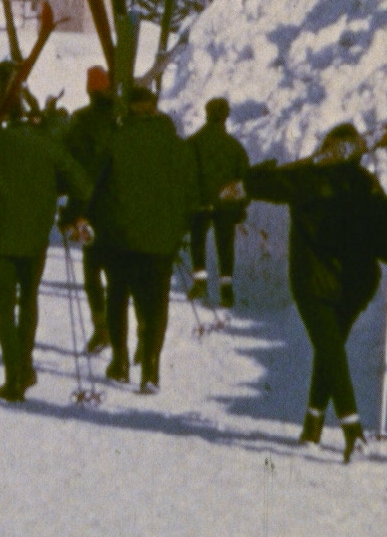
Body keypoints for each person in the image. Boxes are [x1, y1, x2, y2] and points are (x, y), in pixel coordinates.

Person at [244, 123, 387, 463]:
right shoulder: (368, 186)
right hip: (356, 286)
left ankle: (353, 432)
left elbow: (262, 185)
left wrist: (259, 171)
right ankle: (313, 425)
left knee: (330, 351)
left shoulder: (306, 179)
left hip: (313, 284)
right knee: (331, 350)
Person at [0, 61, 91, 401]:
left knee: (3, 307)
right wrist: (66, 211)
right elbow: (81, 183)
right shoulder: (44, 141)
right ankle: (24, 366)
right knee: (29, 300)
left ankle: (15, 376)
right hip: (35, 235)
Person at [85, 85, 198, 393]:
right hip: (160, 241)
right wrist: (178, 229)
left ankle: (120, 362)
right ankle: (151, 370)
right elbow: (192, 193)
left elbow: (93, 186)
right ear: (154, 107)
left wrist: (85, 219)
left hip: (118, 238)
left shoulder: (114, 140)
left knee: (117, 296)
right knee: (156, 304)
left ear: (129, 108)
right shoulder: (178, 146)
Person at [62, 67, 119, 352]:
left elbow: (71, 166)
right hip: (119, 206)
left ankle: (101, 329)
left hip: (89, 209)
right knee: (118, 274)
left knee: (92, 271)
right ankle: (118, 332)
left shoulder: (80, 120)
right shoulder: (121, 120)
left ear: (88, 90)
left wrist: (70, 213)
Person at [186, 97, 251, 307]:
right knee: (225, 245)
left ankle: (200, 281)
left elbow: (185, 175)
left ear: (206, 114)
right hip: (226, 205)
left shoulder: (193, 143)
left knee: (198, 240)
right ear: (225, 117)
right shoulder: (235, 147)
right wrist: (241, 206)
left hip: (200, 204)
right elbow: (244, 179)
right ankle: (226, 288)